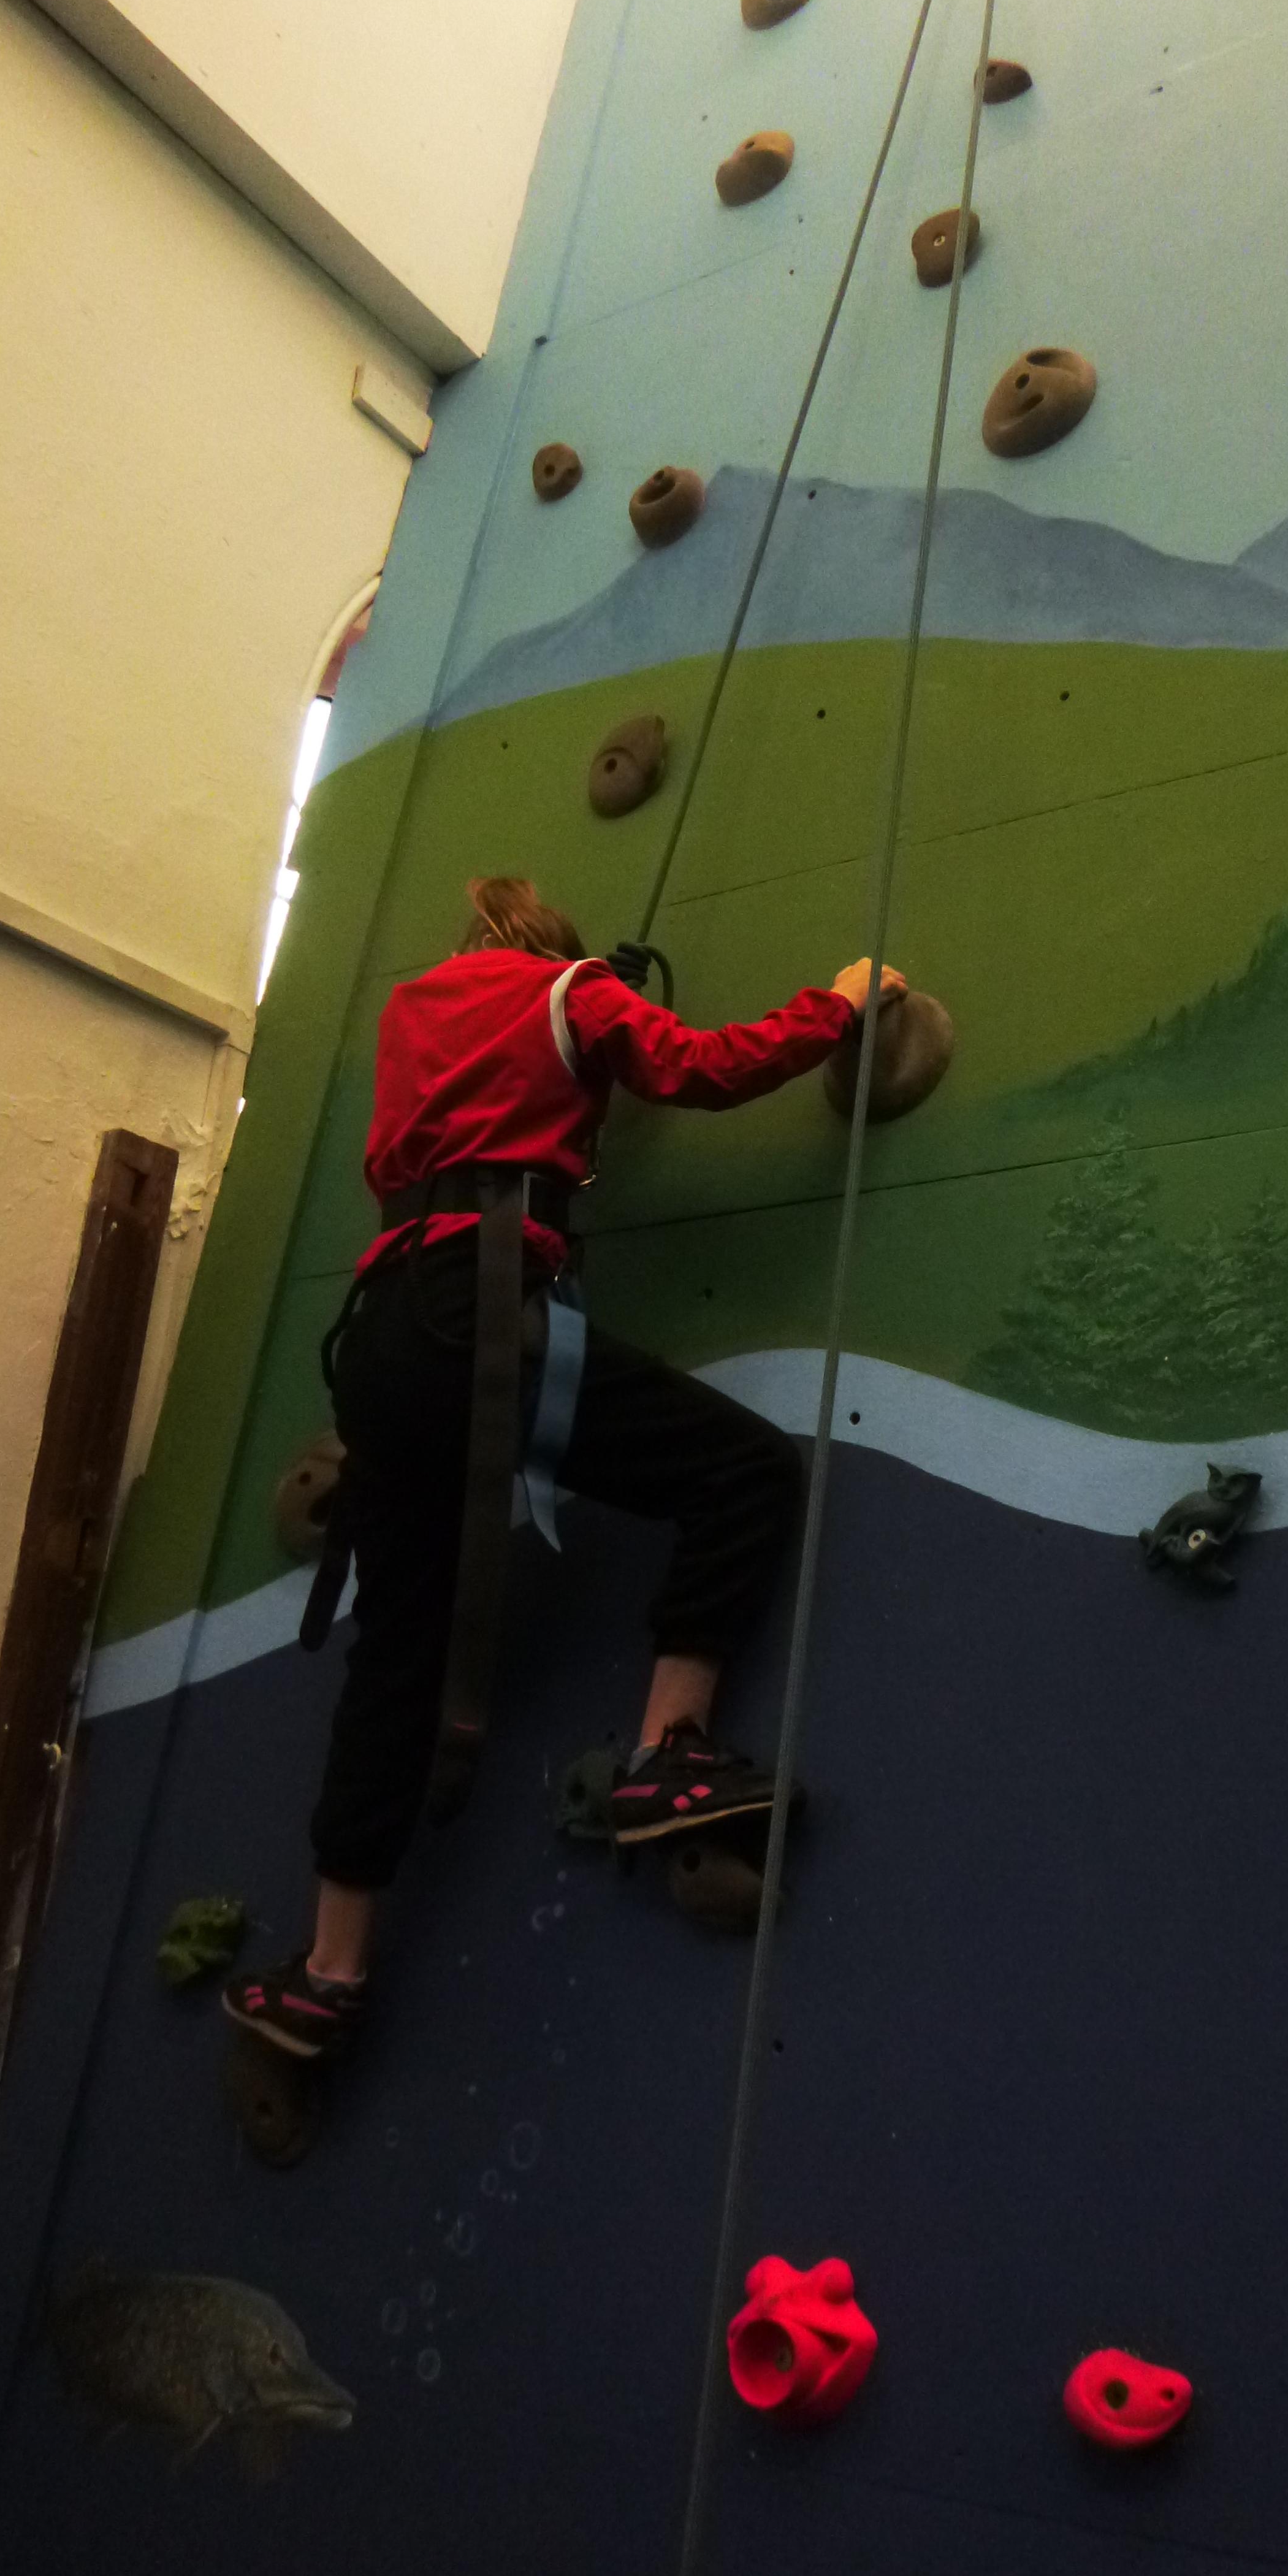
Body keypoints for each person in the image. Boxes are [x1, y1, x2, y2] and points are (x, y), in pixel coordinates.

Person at [224, 876, 904, 2065]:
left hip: (382, 1340)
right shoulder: (572, 993)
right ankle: (669, 1753)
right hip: (479, 1310)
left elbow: (477, 1125)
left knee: (398, 1656)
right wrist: (839, 1007)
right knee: (742, 1472)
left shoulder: (409, 1016)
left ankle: (328, 1971)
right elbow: (704, 1068)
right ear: (555, 950)